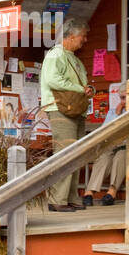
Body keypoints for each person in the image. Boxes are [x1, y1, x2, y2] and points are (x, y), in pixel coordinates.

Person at [40, 16, 94, 211]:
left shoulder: (73, 58)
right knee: (64, 153)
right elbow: (52, 80)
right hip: (60, 109)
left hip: (75, 109)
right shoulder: (56, 55)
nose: (84, 40)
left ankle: (69, 197)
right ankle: (57, 199)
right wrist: (80, 89)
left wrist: (86, 90)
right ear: (71, 36)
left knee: (75, 155)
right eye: (83, 36)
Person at [83, 88, 126, 206]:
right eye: (122, 98)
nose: (124, 101)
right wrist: (117, 115)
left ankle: (112, 192)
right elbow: (105, 130)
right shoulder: (113, 112)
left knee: (120, 157)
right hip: (112, 144)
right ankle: (89, 192)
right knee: (103, 157)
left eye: (127, 97)